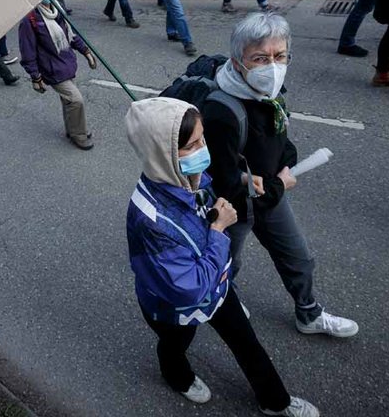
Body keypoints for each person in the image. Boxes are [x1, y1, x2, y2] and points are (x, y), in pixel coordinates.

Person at [124, 97, 320, 416]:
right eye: (192, 145)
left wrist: (249, 181)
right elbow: (188, 289)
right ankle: (178, 376)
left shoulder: (193, 177)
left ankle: (276, 402)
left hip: (217, 282)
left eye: (203, 139)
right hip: (173, 305)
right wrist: (218, 231)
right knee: (175, 345)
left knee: (246, 341)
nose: (203, 150)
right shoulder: (151, 220)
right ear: (164, 154)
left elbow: (213, 209)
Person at [203, 13, 359, 338]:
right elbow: (226, 181)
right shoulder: (221, 111)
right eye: (260, 58)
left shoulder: (271, 92)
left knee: (298, 257)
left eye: (280, 56)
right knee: (227, 264)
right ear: (238, 62)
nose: (272, 67)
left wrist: (286, 164)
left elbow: (281, 138)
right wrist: (277, 184)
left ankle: (309, 313)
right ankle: (223, 304)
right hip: (235, 208)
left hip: (270, 195)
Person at [18, 0, 97, 150]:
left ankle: (72, 129)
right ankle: (78, 134)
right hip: (51, 69)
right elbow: (27, 51)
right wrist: (35, 76)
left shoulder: (56, 8)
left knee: (68, 100)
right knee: (76, 100)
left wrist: (85, 51)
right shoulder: (30, 18)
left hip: (67, 63)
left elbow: (71, 34)